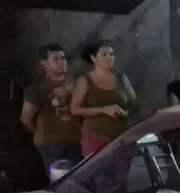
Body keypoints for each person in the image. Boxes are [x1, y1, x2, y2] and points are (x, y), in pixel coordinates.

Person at [20, 44, 81, 175]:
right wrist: (44, 132)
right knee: (61, 181)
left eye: (63, 58)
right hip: (52, 144)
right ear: (44, 63)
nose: (61, 62)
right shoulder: (37, 88)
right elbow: (26, 118)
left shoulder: (75, 82)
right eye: (55, 59)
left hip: (76, 140)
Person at [70, 40, 137, 156]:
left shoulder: (121, 78)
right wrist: (103, 110)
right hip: (95, 137)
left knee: (122, 172)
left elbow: (134, 103)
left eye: (111, 54)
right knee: (100, 173)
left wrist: (126, 112)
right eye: (104, 54)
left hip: (121, 136)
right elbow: (74, 109)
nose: (109, 58)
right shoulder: (84, 81)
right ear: (93, 58)